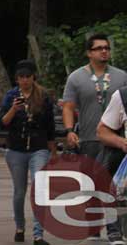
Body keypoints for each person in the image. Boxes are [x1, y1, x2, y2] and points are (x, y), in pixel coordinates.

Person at [63, 32, 127, 245]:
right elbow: (69, 106)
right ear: (89, 53)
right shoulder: (76, 77)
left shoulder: (121, 76)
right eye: (99, 48)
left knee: (110, 185)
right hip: (88, 138)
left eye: (107, 48)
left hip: (114, 141)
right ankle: (93, 225)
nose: (104, 51)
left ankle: (114, 230)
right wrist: (69, 130)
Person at [0, 60, 55, 245]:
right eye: (21, 77)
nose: (24, 81)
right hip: (16, 148)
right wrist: (14, 109)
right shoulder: (11, 96)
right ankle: (20, 227)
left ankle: (38, 234)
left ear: (33, 77)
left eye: (27, 77)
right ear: (17, 79)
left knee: (39, 187)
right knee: (19, 191)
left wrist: (52, 149)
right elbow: (2, 123)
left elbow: (50, 125)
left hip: (38, 147)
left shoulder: (43, 96)